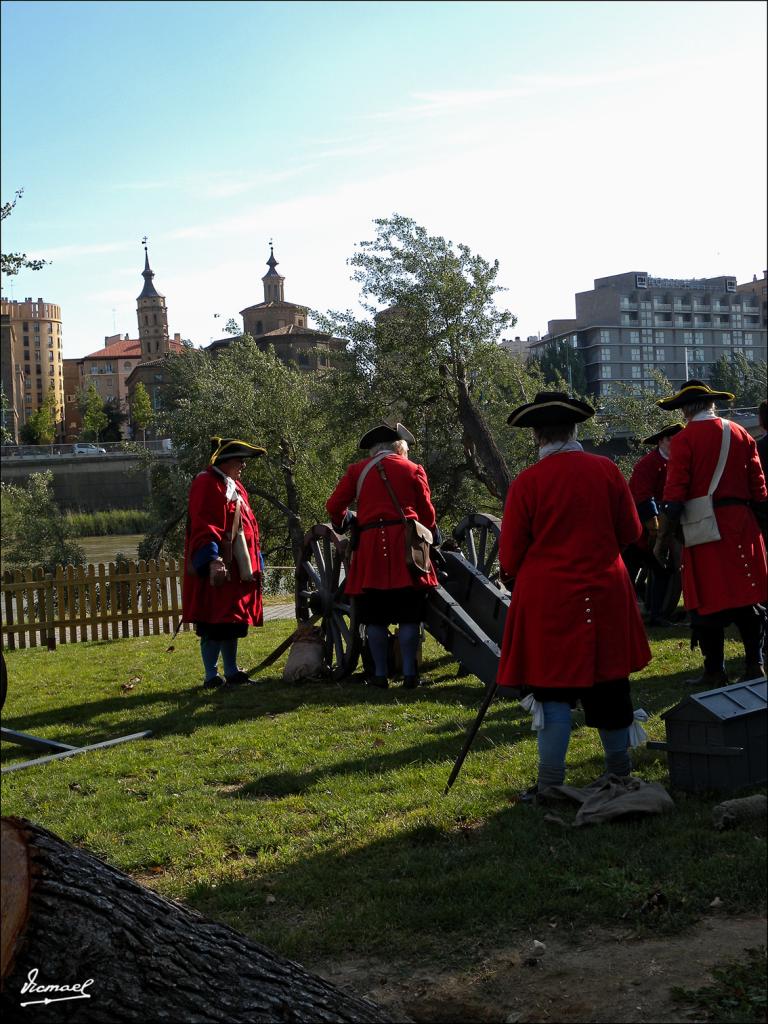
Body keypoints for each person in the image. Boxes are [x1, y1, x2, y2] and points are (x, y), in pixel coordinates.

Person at [496, 391, 651, 795]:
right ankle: (619, 773)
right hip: (606, 591)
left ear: (537, 436)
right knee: (611, 686)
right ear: (573, 430)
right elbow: (632, 533)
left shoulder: (527, 483)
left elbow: (510, 556)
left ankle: (550, 784)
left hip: (549, 600)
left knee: (552, 691)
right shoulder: (606, 470)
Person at [654, 380, 767, 686]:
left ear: (685, 410)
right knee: (747, 599)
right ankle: (755, 664)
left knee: (707, 602)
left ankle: (714, 671)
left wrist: (665, 536)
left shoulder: (685, 440)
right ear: (711, 405)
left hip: (704, 528)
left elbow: (675, 493)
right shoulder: (741, 433)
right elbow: (759, 488)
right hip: (742, 525)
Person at [326, 421, 438, 689]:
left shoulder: (357, 471)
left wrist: (345, 520)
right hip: (406, 548)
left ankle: (379, 676)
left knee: (375, 617)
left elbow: (334, 506)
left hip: (371, 550)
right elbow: (428, 514)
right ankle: (410, 674)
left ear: (373, 450)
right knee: (409, 615)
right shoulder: (413, 469)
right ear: (399, 447)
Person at [183, 437, 266, 689]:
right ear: (224, 461)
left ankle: (232, 671)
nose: (243, 464)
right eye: (239, 460)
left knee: (233, 621)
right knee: (212, 622)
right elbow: (204, 524)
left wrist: (256, 561)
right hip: (218, 566)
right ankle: (211, 675)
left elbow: (249, 527)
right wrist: (212, 560)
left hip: (238, 568)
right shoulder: (206, 483)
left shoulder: (235, 486)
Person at [623, 423, 684, 627]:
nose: (675, 443)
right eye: (670, 439)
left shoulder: (679, 463)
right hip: (640, 528)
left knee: (662, 570)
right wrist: (655, 528)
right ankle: (626, 614)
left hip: (664, 526)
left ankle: (656, 614)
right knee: (627, 574)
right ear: (661, 441)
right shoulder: (647, 464)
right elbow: (642, 496)